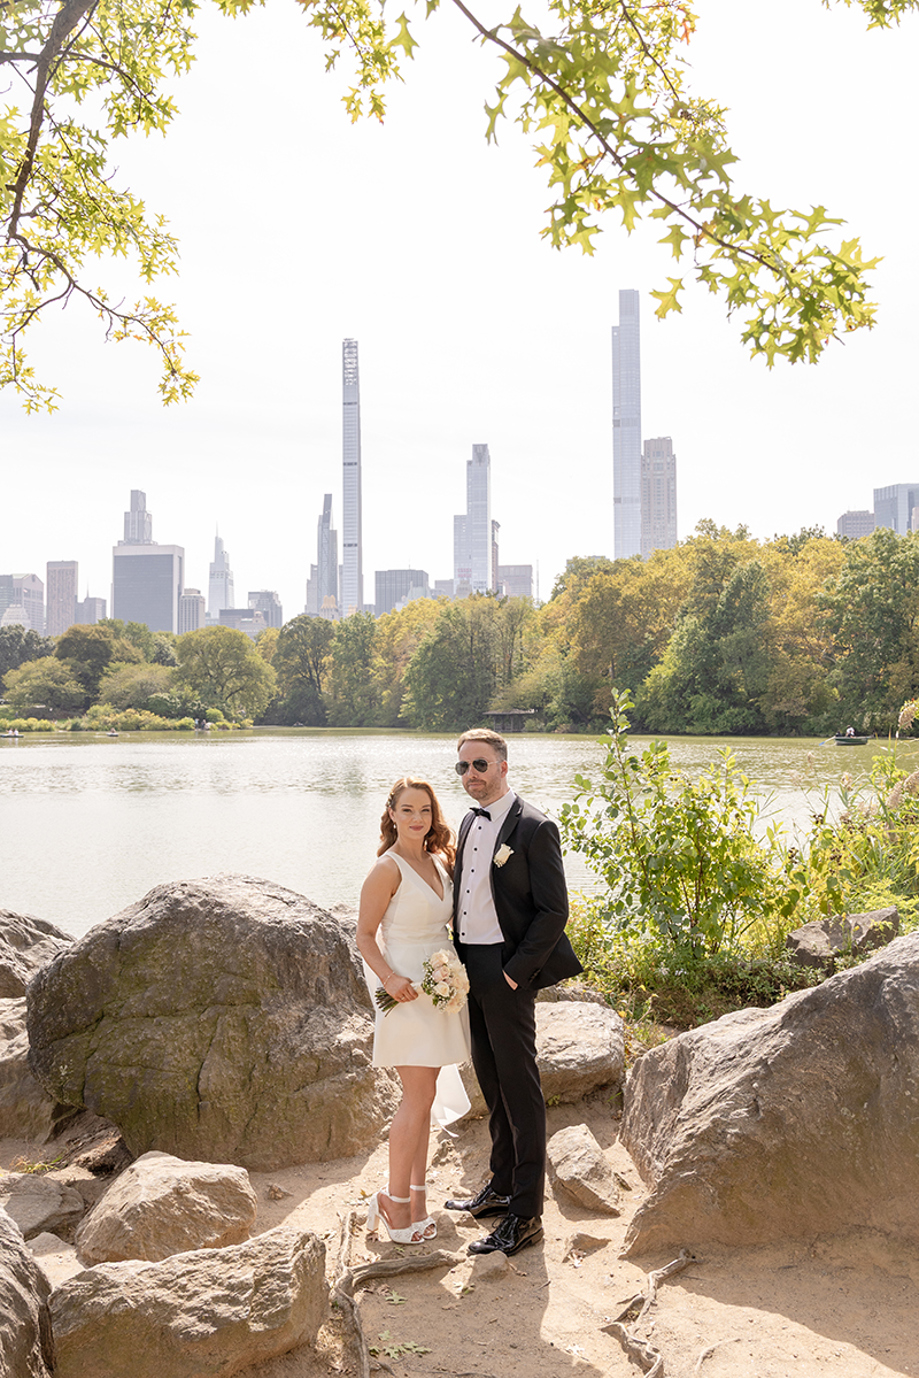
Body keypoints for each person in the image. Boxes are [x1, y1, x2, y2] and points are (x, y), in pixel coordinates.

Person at [445, 727, 583, 1257]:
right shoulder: (466, 819)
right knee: (491, 1081)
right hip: (467, 967)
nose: (471, 776)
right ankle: (501, 1186)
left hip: (506, 969)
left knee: (520, 1089)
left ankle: (526, 1214)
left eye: (479, 765)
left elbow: (554, 912)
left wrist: (513, 973)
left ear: (503, 765)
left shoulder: (535, 827)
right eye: (462, 768)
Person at [356, 777, 471, 1245]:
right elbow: (364, 935)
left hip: (440, 988)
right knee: (416, 1098)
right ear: (392, 815)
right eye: (407, 810)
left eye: (424, 810)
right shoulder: (387, 869)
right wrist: (389, 978)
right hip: (404, 990)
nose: (417, 818)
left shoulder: (441, 861)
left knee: (423, 1101)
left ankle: (416, 1202)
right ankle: (392, 1201)